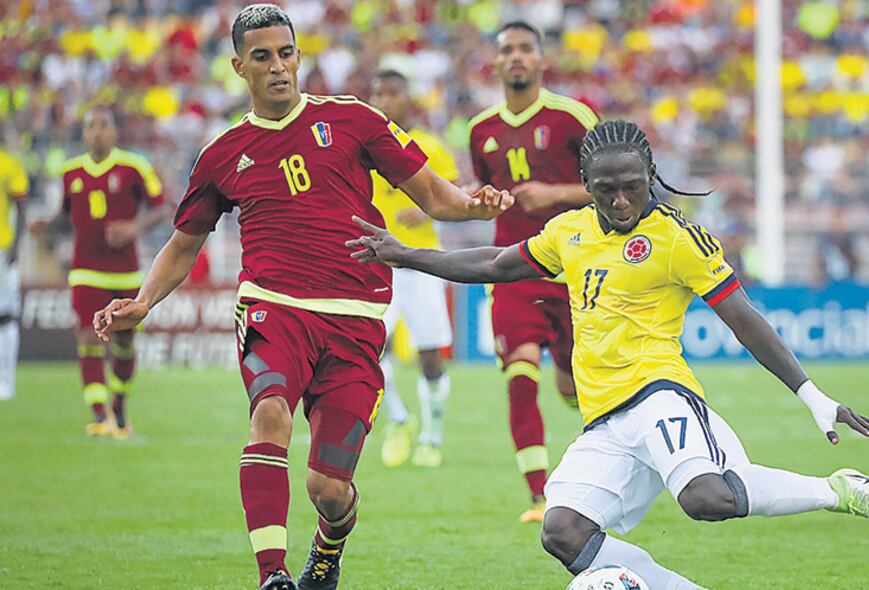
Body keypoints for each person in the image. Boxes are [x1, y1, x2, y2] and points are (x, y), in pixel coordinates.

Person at [348, 119, 869, 589]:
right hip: (604, 419)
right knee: (563, 531)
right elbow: (494, 264)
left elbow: (744, 319)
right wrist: (405, 254)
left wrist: (812, 395)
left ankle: (837, 489)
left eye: (632, 187)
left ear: (650, 177)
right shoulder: (570, 231)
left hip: (658, 393)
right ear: (586, 186)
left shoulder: (679, 238)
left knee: (706, 500)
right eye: (606, 190)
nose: (621, 201)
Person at [94, 5, 512, 590]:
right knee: (268, 416)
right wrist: (143, 301)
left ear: (299, 55)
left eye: (286, 53)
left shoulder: (354, 120)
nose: (278, 67)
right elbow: (183, 246)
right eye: (262, 57)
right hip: (272, 306)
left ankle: (327, 547)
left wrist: (475, 203)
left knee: (329, 490)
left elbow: (435, 199)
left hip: (356, 317)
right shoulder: (222, 154)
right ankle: (273, 575)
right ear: (240, 66)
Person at [467, 20, 598, 522]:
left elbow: (615, 186)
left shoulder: (573, 118)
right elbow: (486, 190)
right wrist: (483, 201)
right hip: (513, 269)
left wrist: (554, 194)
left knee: (571, 388)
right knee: (520, 373)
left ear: (542, 60)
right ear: (496, 63)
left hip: (573, 271)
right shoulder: (481, 130)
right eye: (508, 50)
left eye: (526, 49)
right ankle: (540, 497)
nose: (517, 57)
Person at [31, 107, 168, 437]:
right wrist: (46, 225)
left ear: (114, 132)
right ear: (84, 134)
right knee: (88, 335)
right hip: (86, 270)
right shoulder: (70, 172)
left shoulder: (135, 167)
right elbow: (66, 216)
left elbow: (162, 208)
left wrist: (134, 228)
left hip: (125, 273)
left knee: (123, 343)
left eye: (103, 125)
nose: (96, 132)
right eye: (91, 126)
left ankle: (118, 403)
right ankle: (98, 414)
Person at [370, 69, 459, 469]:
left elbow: (458, 197)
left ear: (408, 100)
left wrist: (424, 208)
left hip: (422, 263)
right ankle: (399, 419)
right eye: (378, 94)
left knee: (429, 356)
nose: (385, 102)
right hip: (377, 266)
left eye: (392, 94)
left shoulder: (429, 147)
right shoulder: (362, 147)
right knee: (367, 348)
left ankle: (432, 437)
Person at [0, 148, 29, 400]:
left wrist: (15, 246)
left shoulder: (9, 165)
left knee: (5, 316)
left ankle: (5, 381)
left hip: (1, 248)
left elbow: (21, 208)